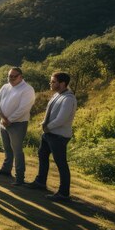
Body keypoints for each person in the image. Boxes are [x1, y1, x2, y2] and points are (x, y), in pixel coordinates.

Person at [26, 72, 77, 201]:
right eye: (51, 81)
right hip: (49, 134)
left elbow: (61, 119)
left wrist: (47, 127)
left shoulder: (68, 98)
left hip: (58, 136)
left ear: (62, 83)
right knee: (42, 155)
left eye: (53, 81)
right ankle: (40, 182)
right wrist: (45, 125)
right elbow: (51, 113)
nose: (51, 83)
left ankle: (64, 194)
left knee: (61, 164)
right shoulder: (57, 95)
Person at [0, 67, 36, 185]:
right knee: (7, 148)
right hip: (4, 122)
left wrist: (9, 119)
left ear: (21, 77)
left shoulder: (27, 89)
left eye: (13, 76)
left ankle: (20, 177)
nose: (10, 78)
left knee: (17, 150)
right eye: (9, 76)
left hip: (18, 124)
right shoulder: (6, 87)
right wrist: (2, 116)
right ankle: (6, 170)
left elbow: (24, 108)